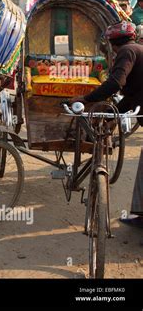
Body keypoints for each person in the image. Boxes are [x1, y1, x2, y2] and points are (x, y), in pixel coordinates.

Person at [71, 20, 143, 230]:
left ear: (112, 44)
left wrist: (86, 99)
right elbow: (132, 95)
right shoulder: (138, 49)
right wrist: (113, 116)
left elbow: (115, 83)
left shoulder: (127, 52)